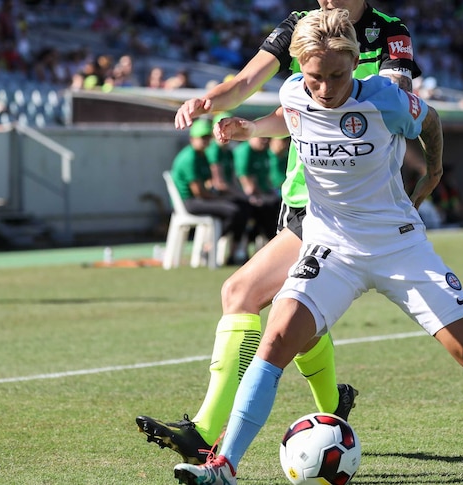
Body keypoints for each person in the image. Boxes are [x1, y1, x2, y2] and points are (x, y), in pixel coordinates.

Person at [173, 10, 463, 484]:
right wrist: (247, 128)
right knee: (276, 339)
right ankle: (223, 467)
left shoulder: (386, 99)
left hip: (398, 246)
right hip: (330, 246)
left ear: (354, 62)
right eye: (314, 77)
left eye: (337, 76)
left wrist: (434, 171)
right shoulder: (292, 93)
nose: (325, 88)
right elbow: (292, 115)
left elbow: (429, 122)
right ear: (298, 70)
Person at [136, 0, 421, 463]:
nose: (324, 1)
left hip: (342, 205)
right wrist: (212, 103)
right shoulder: (300, 26)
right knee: (299, 316)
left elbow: (391, 102)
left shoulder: (391, 34)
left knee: (240, 293)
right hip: (298, 196)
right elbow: (248, 82)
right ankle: (334, 406)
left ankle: (205, 431)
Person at [170, 118, 252, 264]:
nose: (205, 141)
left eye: (207, 137)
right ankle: (209, 246)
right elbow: (198, 192)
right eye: (202, 138)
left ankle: (234, 252)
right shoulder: (190, 158)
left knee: (242, 207)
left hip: (199, 198)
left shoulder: (202, 155)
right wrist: (218, 197)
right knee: (233, 210)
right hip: (189, 202)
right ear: (192, 139)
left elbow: (208, 183)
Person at [232, 136, 280, 243]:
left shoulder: (265, 152)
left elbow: (267, 179)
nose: (265, 140)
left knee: (278, 204)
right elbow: (247, 185)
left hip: (262, 193)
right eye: (261, 137)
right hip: (247, 195)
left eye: (267, 138)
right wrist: (261, 195)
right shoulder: (245, 151)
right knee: (268, 207)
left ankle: (270, 241)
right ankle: (268, 241)